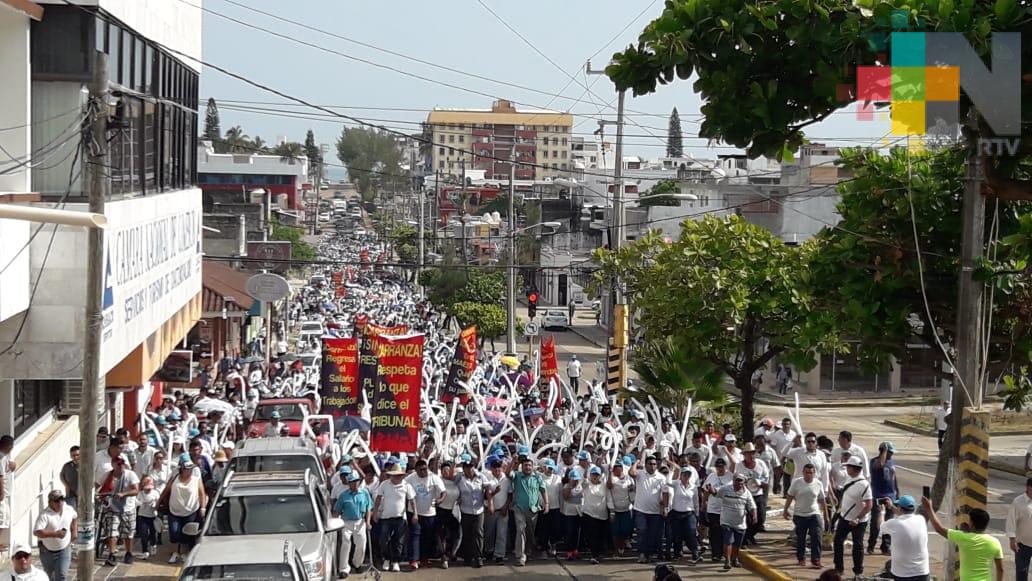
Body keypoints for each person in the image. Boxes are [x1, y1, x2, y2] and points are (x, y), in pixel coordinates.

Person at [922, 497, 1003, 581]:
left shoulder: (963, 538)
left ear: (971, 523)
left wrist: (929, 508)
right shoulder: (995, 542)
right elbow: (1000, 569)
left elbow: (939, 528)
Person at [160, 458, 207, 564]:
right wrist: (158, 504)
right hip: (174, 511)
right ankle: (175, 553)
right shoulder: (175, 478)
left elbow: (202, 493)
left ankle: (184, 554)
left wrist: (203, 508)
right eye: (187, 469)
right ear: (182, 469)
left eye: (191, 469)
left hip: (191, 511)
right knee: (174, 533)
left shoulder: (196, 480)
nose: (189, 471)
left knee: (187, 534)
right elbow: (166, 490)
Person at [832, 456, 872, 577]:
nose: (846, 469)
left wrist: (858, 518)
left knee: (858, 545)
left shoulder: (864, 485)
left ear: (854, 468)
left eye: (848, 466)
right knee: (838, 541)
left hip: (858, 521)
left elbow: (869, 505)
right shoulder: (849, 479)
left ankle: (858, 572)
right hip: (845, 517)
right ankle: (839, 568)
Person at [373, 465, 416, 572]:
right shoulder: (384, 484)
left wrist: (415, 514)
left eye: (399, 475)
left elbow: (412, 500)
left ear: (402, 476)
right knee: (383, 540)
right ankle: (387, 559)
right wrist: (375, 513)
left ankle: (396, 562)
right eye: (394, 475)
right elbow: (378, 499)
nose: (396, 477)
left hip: (400, 518)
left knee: (399, 542)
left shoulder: (407, 485)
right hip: (385, 517)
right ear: (390, 476)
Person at [783, 463, 826, 569]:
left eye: (811, 473)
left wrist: (826, 514)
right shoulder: (796, 483)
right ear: (803, 472)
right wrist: (785, 510)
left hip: (814, 514)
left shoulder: (818, 483)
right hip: (799, 515)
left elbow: (821, 499)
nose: (809, 475)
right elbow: (790, 496)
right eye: (807, 472)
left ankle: (816, 559)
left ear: (814, 473)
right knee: (801, 538)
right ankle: (801, 558)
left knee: (816, 536)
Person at [404, 459, 445, 569]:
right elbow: (401, 485)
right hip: (414, 512)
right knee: (415, 535)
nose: (424, 471)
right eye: (421, 470)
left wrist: (440, 500)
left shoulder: (434, 477)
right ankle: (414, 560)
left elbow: (443, 492)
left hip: (429, 513)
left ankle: (424, 559)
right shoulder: (410, 478)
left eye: (425, 469)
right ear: (416, 470)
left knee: (427, 538)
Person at [100, 454, 139, 566]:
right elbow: (98, 485)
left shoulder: (130, 475)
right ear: (113, 464)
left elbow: (136, 490)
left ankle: (129, 553)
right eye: (118, 463)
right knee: (112, 532)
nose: (121, 465)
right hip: (113, 508)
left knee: (128, 532)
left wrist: (124, 494)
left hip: (128, 508)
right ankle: (112, 554)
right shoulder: (108, 476)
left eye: (122, 463)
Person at [630, 455, 670, 564]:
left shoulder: (661, 477)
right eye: (650, 464)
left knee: (652, 534)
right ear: (645, 465)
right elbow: (631, 473)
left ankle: (648, 555)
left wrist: (666, 507)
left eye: (654, 464)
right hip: (640, 510)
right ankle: (642, 554)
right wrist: (636, 462)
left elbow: (665, 493)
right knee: (642, 531)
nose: (652, 466)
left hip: (655, 511)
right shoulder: (640, 473)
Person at [879, 495, 929, 581]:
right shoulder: (921, 519)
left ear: (900, 508)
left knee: (888, 565)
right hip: (922, 571)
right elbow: (904, 514)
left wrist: (882, 512)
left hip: (903, 574)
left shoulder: (894, 523)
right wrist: (891, 507)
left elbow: (880, 526)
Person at [508, 457, 547, 566]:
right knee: (521, 530)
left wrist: (546, 504)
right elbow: (508, 473)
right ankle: (520, 556)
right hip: (519, 508)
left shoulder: (537, 477)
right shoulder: (517, 475)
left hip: (533, 509)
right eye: (525, 465)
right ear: (522, 466)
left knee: (530, 533)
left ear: (532, 466)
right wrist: (513, 461)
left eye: (529, 465)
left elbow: (543, 490)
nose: (528, 467)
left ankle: (528, 551)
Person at [333, 472, 372, 578]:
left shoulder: (364, 493)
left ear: (359, 482)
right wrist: (334, 523)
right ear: (349, 483)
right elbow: (336, 511)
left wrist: (368, 522)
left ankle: (357, 563)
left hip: (360, 521)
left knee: (361, 544)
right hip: (346, 522)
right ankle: (344, 569)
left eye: (356, 481)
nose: (354, 484)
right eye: (352, 482)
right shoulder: (343, 495)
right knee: (345, 543)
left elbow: (369, 508)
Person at [33, 490, 77, 581]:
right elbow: (37, 532)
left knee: (61, 575)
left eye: (62, 499)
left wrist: (74, 531)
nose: (60, 502)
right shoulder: (44, 515)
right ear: (50, 502)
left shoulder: (68, 509)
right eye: (57, 501)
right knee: (49, 576)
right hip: (47, 550)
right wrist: (55, 534)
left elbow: (74, 517)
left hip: (64, 548)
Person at [456, 455, 490, 568]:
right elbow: (452, 484)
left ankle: (478, 557)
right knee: (467, 534)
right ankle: (467, 557)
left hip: (479, 510)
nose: (468, 469)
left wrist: (490, 504)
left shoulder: (481, 477)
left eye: (470, 466)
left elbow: (488, 489)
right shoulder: (460, 478)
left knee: (479, 533)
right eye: (466, 467)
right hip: (465, 511)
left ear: (474, 467)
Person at [716, 474, 756, 570]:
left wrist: (754, 515)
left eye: (740, 481)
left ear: (744, 482)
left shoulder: (747, 493)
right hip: (726, 521)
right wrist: (710, 492)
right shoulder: (725, 489)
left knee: (737, 544)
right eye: (736, 480)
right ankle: (727, 561)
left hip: (740, 523)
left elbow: (752, 506)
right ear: (733, 481)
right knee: (728, 541)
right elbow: (715, 493)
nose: (738, 483)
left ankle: (734, 559)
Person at [868, 441, 899, 555]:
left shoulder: (891, 462)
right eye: (889, 452)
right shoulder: (874, 462)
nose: (891, 455)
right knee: (876, 523)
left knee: (889, 522)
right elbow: (879, 465)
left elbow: (894, 479)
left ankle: (886, 546)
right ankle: (871, 544)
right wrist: (884, 451)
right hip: (878, 496)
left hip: (890, 496)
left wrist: (897, 494)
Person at [735, 442, 770, 545]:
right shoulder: (739, 466)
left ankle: (750, 535)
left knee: (760, 518)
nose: (751, 456)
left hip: (758, 494)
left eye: (752, 453)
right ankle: (745, 539)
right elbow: (737, 479)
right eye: (748, 453)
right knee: (747, 519)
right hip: (745, 495)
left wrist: (760, 483)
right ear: (744, 455)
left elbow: (766, 479)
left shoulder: (761, 464)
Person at [701, 458, 733, 562]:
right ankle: (716, 554)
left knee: (726, 533)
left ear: (725, 466)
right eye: (718, 466)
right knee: (714, 533)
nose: (720, 468)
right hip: (713, 509)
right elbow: (706, 490)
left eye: (722, 466)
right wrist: (703, 503)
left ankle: (725, 553)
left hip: (727, 509)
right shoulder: (711, 476)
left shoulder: (730, 476)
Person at [668, 465, 701, 563]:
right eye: (684, 474)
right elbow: (667, 482)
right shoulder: (676, 484)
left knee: (691, 532)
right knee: (677, 535)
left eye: (688, 475)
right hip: (676, 513)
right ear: (681, 475)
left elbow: (696, 502)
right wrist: (672, 470)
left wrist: (697, 514)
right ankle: (677, 553)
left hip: (689, 513)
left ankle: (695, 552)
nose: (686, 476)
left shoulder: (693, 487)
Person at [483, 457, 510, 564]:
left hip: (502, 510)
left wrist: (505, 507)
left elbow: (510, 494)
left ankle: (499, 555)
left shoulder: (506, 479)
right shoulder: (487, 479)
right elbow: (486, 496)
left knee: (501, 533)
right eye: (495, 469)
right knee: (489, 532)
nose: (497, 471)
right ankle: (488, 551)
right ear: (491, 469)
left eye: (499, 468)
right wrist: (494, 492)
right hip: (490, 510)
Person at [580, 466, 609, 565]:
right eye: (593, 474)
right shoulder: (587, 484)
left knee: (600, 536)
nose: (595, 477)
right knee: (592, 535)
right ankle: (594, 555)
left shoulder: (604, 485)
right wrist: (587, 469)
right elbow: (583, 480)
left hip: (602, 515)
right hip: (589, 514)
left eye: (597, 475)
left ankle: (598, 553)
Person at [435, 461, 461, 569]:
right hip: (440, 511)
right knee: (441, 535)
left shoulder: (456, 482)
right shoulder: (439, 481)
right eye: (444, 470)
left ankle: (450, 552)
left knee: (456, 532)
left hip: (451, 511)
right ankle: (443, 556)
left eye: (448, 469)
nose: (446, 471)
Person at [607, 461, 635, 557]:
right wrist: (609, 472)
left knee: (625, 530)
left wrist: (632, 488)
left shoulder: (628, 478)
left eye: (619, 467)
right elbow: (609, 486)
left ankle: (622, 546)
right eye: (615, 468)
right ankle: (616, 549)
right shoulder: (612, 478)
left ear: (622, 469)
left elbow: (632, 491)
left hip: (626, 509)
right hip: (615, 510)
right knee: (615, 531)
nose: (618, 469)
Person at [1007, 478, 1032, 581]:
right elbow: (1011, 521)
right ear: (1028, 487)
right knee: (1021, 573)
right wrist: (1012, 540)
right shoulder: (1018, 501)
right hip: (1022, 545)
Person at [560, 468, 584, 561]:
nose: (575, 480)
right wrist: (570, 486)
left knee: (577, 533)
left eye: (576, 479)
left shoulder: (581, 486)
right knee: (569, 532)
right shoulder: (566, 486)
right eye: (573, 478)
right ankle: (569, 551)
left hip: (579, 512)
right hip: (569, 513)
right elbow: (566, 497)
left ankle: (575, 550)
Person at [136, 476, 160, 560]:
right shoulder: (140, 494)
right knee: (144, 534)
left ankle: (153, 545)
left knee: (153, 533)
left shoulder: (155, 493)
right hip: (142, 515)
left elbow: (158, 503)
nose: (148, 490)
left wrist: (155, 505)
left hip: (152, 516)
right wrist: (141, 504)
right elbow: (136, 502)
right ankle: (144, 551)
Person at [59, 447, 79, 511]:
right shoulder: (67, 466)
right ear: (70, 456)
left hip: (85, 496)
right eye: (73, 455)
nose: (75, 457)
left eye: (77, 455)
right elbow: (62, 476)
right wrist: (66, 486)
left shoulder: (86, 465)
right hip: (71, 496)